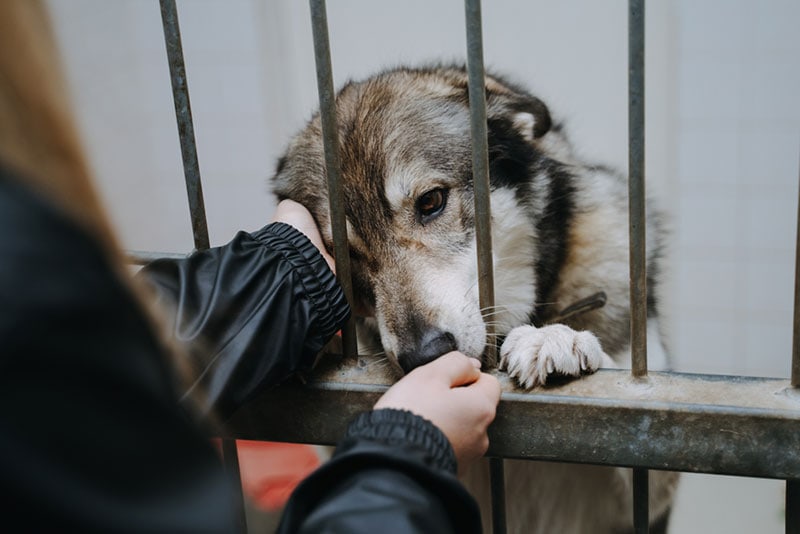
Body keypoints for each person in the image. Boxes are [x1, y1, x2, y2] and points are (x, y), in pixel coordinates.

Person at [0, 1, 501, 532]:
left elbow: (93, 372)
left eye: (428, 205)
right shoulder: (28, 281)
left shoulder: (30, 283)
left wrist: (286, 270)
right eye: (349, 252)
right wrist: (407, 456)